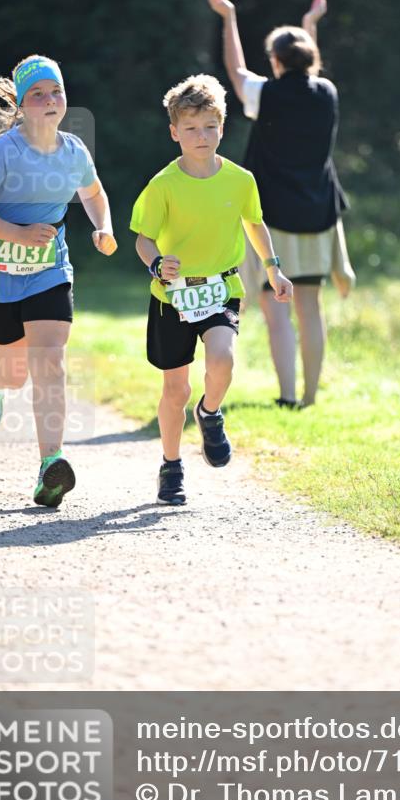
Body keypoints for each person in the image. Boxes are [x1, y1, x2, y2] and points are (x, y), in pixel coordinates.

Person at [0, 54, 117, 508]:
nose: (49, 100)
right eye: (38, 94)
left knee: (50, 362)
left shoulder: (73, 151)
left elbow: (95, 193)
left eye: (56, 92)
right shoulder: (2, 153)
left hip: (48, 270)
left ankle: (51, 465)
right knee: (14, 372)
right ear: (23, 105)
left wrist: (102, 226)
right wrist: (19, 234)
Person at [130, 73, 293, 506]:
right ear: (174, 132)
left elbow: (254, 225)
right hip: (172, 296)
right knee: (174, 390)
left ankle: (210, 412)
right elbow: (143, 238)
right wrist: (155, 263)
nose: (201, 137)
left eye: (209, 127)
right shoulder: (163, 185)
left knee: (222, 358)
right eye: (190, 128)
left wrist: (274, 269)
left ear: (222, 127)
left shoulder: (240, 180)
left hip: (222, 287)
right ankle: (171, 465)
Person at [208, 0, 355, 408]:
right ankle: (309, 397)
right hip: (319, 215)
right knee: (310, 308)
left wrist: (229, 18)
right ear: (311, 58)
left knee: (276, 309)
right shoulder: (327, 93)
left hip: (274, 217)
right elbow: (312, 72)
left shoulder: (266, 94)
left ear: (274, 61)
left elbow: (235, 74)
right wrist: (310, 25)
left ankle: (287, 396)